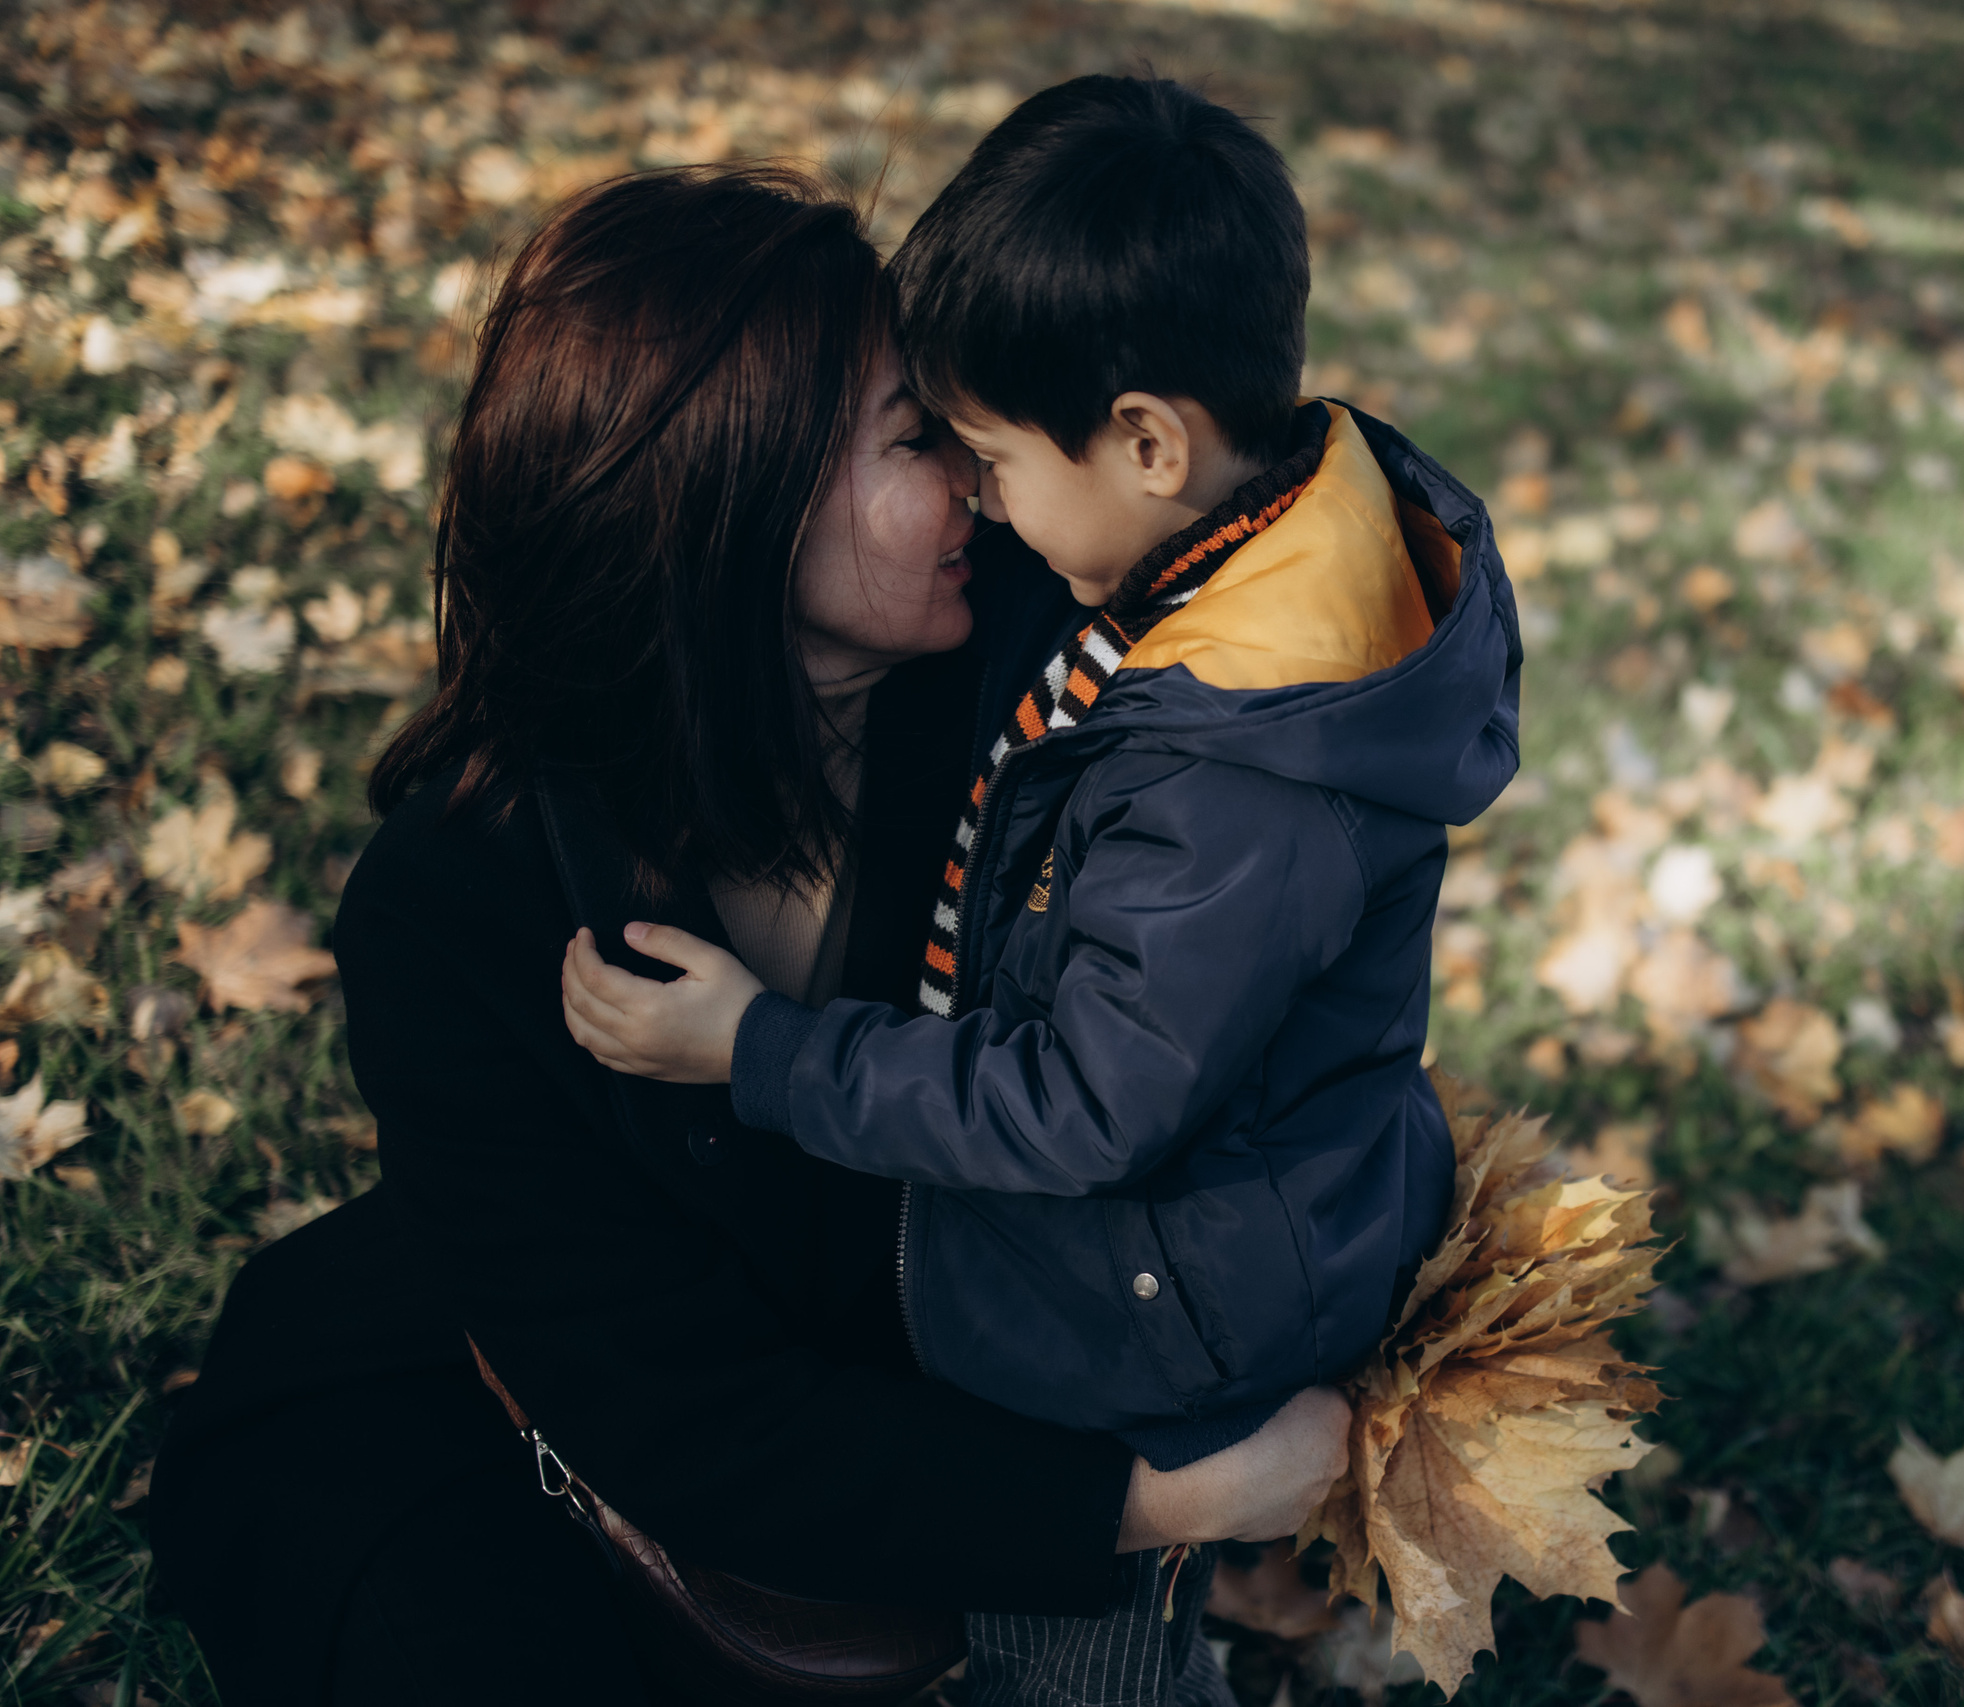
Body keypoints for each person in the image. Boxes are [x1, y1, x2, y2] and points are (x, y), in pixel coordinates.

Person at [148, 163, 1350, 1707]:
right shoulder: (458, 904)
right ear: (738, 508)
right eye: (917, 438)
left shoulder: (1032, 679)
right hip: (494, 1425)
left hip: (921, 1420)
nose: (980, 482)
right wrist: (1166, 1498)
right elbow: (690, 1421)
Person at [557, 78, 1523, 1706]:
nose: (979, 499)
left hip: (1156, 1322)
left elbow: (1087, 1104)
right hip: (1229, 1217)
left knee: (1076, 1655)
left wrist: (759, 1051)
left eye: (993, 456)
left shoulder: (1238, 774)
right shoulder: (1244, 565)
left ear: (1148, 441)